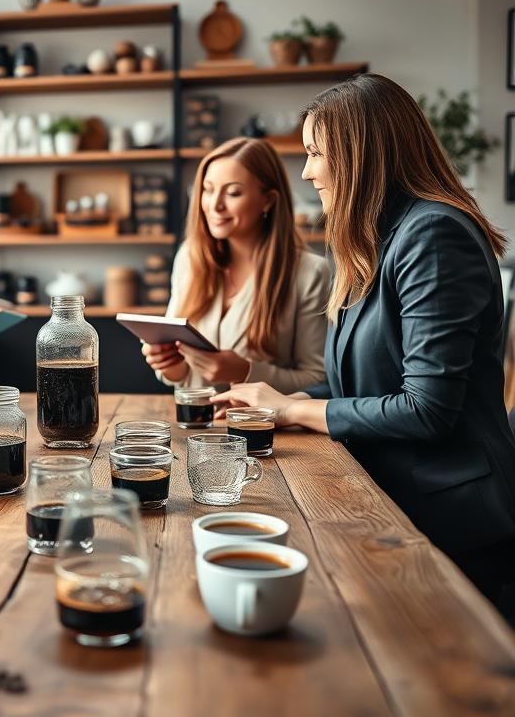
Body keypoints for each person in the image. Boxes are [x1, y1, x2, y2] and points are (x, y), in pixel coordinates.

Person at [213, 73, 515, 623]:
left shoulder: (434, 236)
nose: (306, 171)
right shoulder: (373, 239)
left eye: (315, 153)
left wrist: (295, 409)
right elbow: (359, 386)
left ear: (362, 154)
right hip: (392, 496)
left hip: (453, 516)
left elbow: (426, 410)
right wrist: (273, 399)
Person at [142, 137, 330, 392]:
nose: (215, 205)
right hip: (195, 425)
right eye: (207, 190)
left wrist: (246, 372)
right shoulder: (189, 257)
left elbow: (318, 380)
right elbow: (181, 375)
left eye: (233, 192)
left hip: (264, 429)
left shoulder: (310, 273)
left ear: (268, 200)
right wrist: (171, 367)